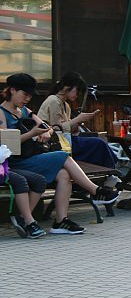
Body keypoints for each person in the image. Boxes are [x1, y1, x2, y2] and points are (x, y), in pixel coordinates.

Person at [1, 73, 119, 235]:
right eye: (25, 94)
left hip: (31, 157)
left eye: (30, 95)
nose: (27, 98)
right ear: (12, 90)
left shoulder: (24, 110)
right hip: (14, 162)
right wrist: (32, 133)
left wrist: (44, 133)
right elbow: (6, 144)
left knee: (63, 174)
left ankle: (60, 221)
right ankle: (96, 191)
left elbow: (48, 127)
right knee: (63, 156)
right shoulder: (1, 113)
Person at [37, 72, 117, 168]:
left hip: (64, 141)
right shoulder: (54, 101)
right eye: (77, 90)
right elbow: (56, 127)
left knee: (98, 144)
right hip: (54, 143)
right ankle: (111, 173)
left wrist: (78, 122)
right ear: (67, 87)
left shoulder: (65, 105)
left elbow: (66, 127)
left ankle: (109, 173)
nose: (78, 95)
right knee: (98, 144)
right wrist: (77, 119)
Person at [4, 168, 48, 238]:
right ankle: (29, 222)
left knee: (39, 180)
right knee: (19, 181)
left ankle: (22, 219)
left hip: (4, 166)